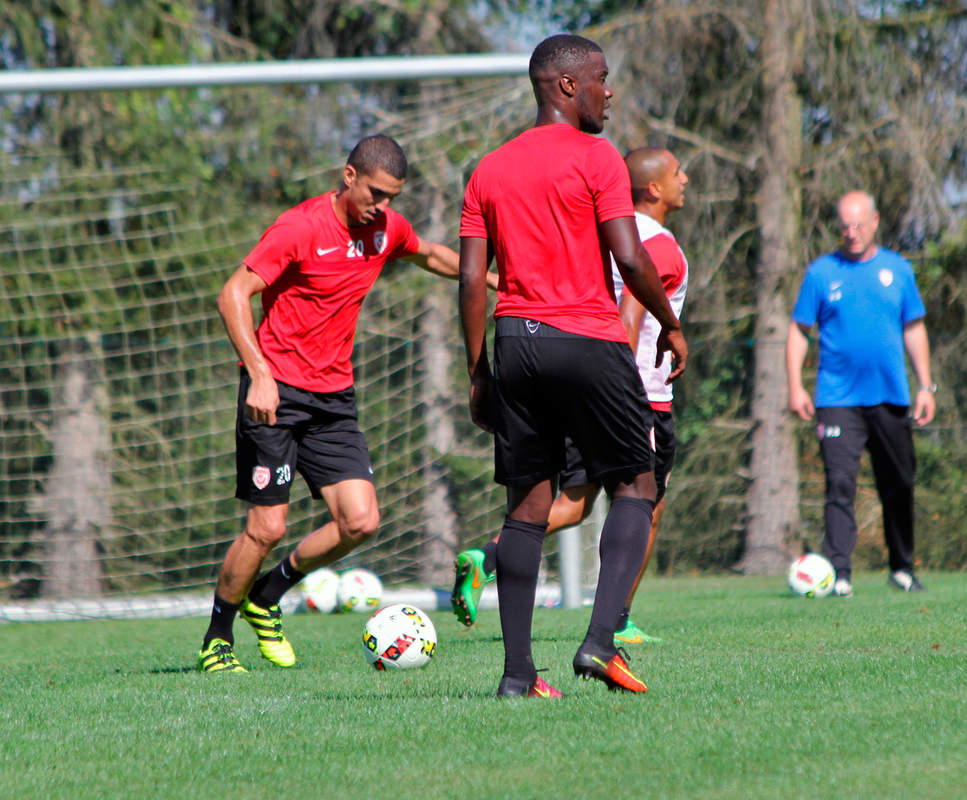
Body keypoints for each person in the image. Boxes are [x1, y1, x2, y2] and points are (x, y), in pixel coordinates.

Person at [198, 134, 485, 673]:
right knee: (267, 528)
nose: (384, 206)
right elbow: (233, 294)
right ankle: (217, 638)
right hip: (276, 393)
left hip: (333, 397)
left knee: (361, 521)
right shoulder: (300, 227)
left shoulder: (385, 229)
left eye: (394, 197)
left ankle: (267, 595)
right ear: (349, 176)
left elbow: (429, 253)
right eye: (377, 192)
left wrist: (490, 278)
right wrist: (259, 374)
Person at [458, 34, 687, 699]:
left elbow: (472, 280)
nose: (608, 91)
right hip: (587, 339)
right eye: (600, 79)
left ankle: (517, 676)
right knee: (636, 488)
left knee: (528, 507)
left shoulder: (490, 168)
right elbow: (631, 258)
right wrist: (670, 323)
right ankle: (597, 643)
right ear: (564, 86)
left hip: (517, 346)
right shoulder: (598, 156)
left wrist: (479, 372)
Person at [785, 190, 935, 598]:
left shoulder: (898, 270)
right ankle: (840, 573)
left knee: (899, 482)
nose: (851, 233)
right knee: (839, 485)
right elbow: (799, 331)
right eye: (844, 227)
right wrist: (795, 384)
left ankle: (902, 568)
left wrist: (925, 386)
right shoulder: (820, 273)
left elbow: (914, 328)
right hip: (837, 399)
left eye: (858, 225)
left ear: (875, 222)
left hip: (890, 395)